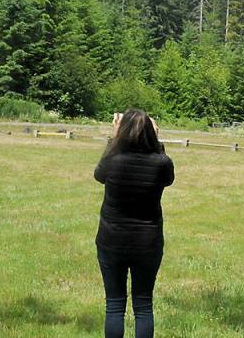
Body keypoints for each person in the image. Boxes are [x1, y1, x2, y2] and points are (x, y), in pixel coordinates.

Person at [94, 109, 175, 338]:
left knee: (115, 306)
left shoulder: (113, 159)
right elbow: (168, 178)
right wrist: (157, 141)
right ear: (152, 131)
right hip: (147, 243)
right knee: (143, 305)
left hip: (112, 240)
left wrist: (115, 137)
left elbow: (98, 175)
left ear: (122, 130)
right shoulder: (160, 162)